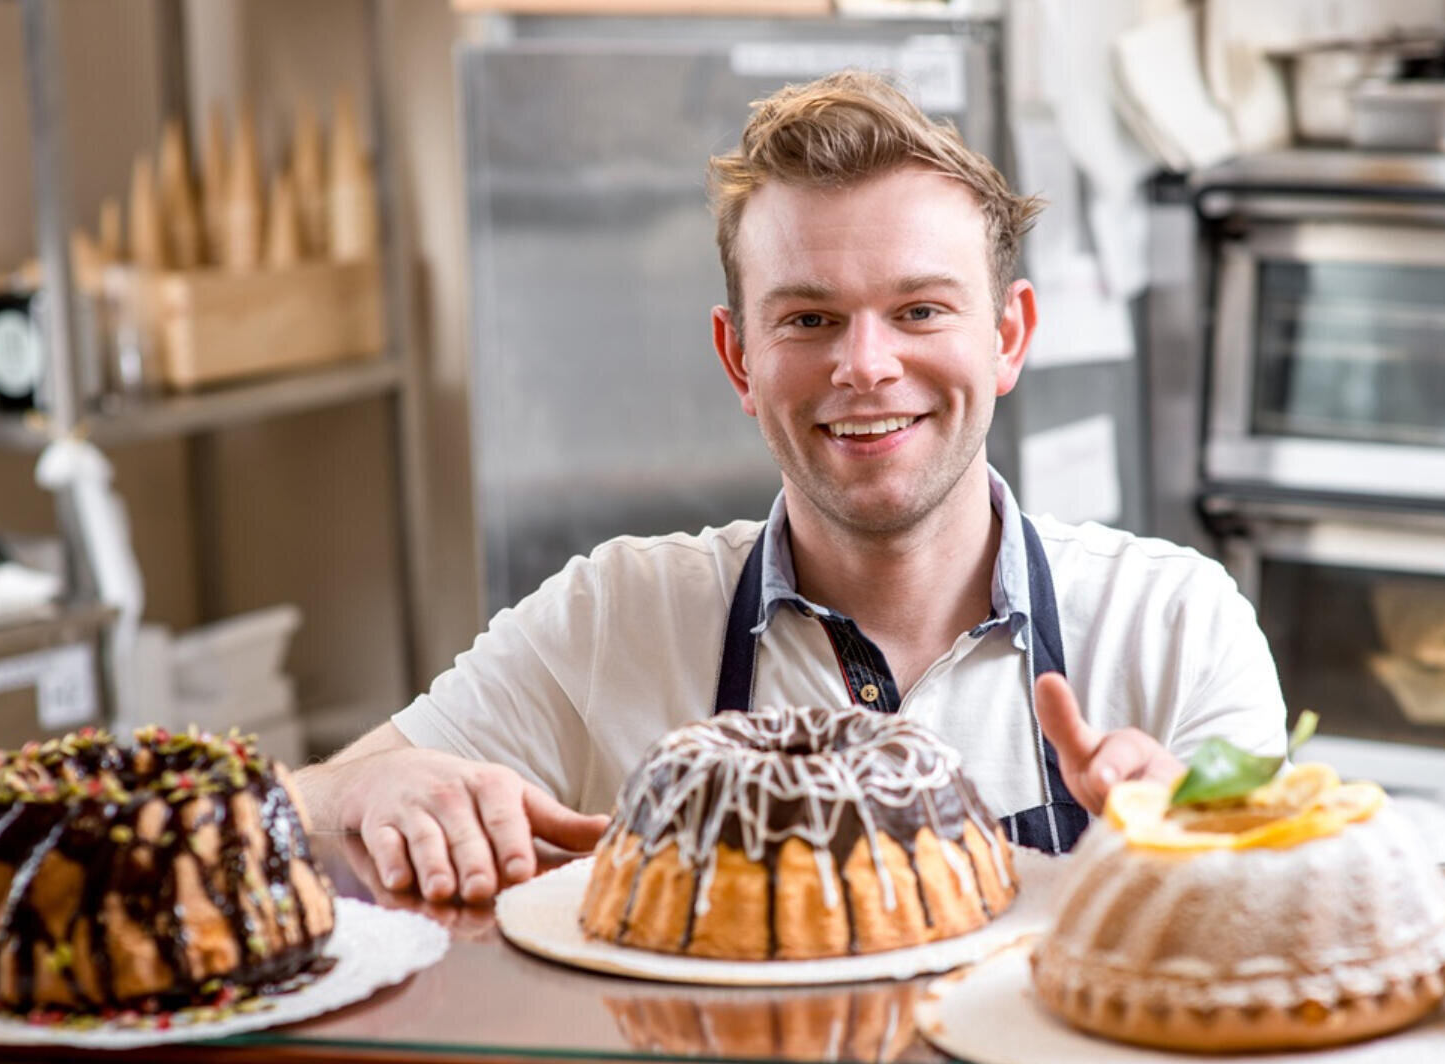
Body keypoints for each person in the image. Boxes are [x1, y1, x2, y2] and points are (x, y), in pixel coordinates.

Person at [295, 71, 1286, 904]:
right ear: (738, 359)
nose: (865, 365)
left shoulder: (1175, 626)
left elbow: (1287, 941)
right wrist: (356, 796)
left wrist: (1204, 856)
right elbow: (279, 817)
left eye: (920, 310)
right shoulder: (615, 619)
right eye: (809, 320)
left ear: (1009, 337)